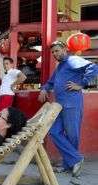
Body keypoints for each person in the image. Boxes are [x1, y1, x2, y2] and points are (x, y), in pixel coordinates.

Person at [38, 40, 98, 177]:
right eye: (53, 52)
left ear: (65, 49)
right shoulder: (60, 66)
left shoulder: (73, 60)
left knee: (72, 136)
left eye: (57, 50)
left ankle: (69, 164)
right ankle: (75, 160)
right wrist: (44, 89)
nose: (54, 53)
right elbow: (51, 82)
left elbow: (94, 68)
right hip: (59, 105)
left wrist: (81, 84)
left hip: (72, 104)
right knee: (53, 131)